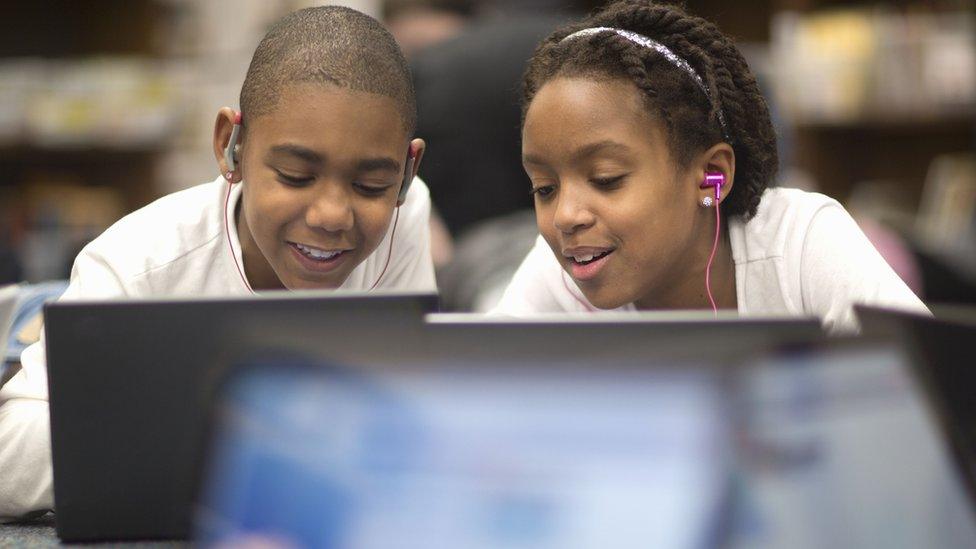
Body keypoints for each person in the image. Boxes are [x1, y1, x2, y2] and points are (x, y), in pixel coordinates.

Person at [0, 6, 434, 521]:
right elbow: (10, 459)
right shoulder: (136, 262)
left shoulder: (405, 219)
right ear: (232, 144)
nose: (332, 215)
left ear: (407, 171)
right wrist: (234, 445)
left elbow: (410, 407)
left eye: (370, 187)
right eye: (296, 175)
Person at [493, 0, 927, 332]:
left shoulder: (800, 245)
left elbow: (939, 398)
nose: (566, 216)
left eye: (606, 180)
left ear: (710, 175)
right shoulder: (559, 279)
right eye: (544, 188)